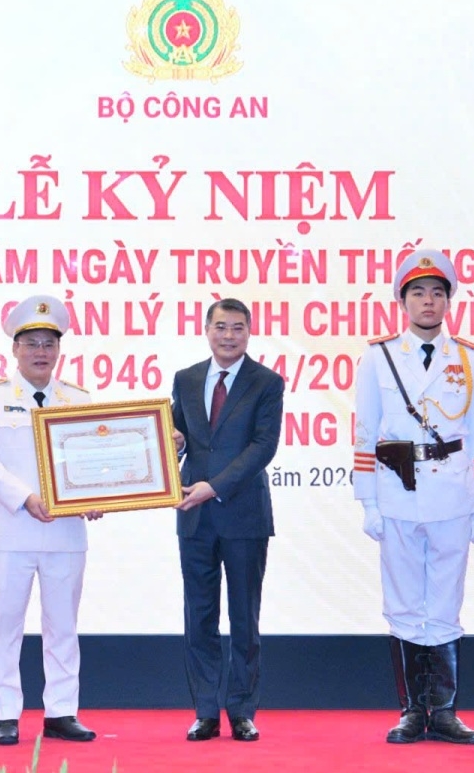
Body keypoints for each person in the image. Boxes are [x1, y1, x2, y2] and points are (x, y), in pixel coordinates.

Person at [352, 249, 474, 745]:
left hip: (453, 490)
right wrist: (368, 501)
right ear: (402, 301)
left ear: (449, 301)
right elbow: (365, 432)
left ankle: (445, 711)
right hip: (397, 490)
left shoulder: (469, 357)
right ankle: (413, 710)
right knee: (405, 602)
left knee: (447, 602)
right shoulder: (379, 357)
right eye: (418, 293)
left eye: (437, 293)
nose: (428, 301)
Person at [0, 294, 100, 746]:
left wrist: (96, 494)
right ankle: (5, 713)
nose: (41, 352)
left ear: (59, 349)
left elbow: (89, 461)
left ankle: (61, 711)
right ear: (15, 349)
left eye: (49, 343)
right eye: (32, 343)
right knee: (5, 625)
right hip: (10, 530)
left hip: (65, 531)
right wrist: (24, 498)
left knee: (62, 626)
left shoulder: (77, 399)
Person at [170, 297, 283, 743]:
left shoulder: (267, 382)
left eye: (238, 327)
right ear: (207, 330)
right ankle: (204, 711)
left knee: (243, 618)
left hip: (243, 515)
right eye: (221, 327)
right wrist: (174, 442)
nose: (229, 335)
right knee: (198, 616)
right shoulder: (186, 378)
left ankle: (241, 710)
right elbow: (178, 436)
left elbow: (263, 447)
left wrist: (214, 486)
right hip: (194, 516)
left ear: (249, 332)